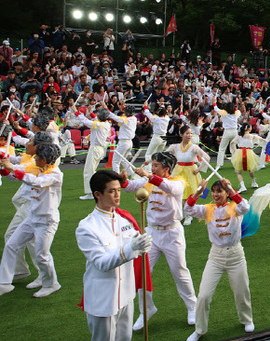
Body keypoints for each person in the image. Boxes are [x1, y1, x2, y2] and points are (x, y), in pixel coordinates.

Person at [121, 152, 197, 330]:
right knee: (142, 273)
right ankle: (146, 310)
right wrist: (123, 180)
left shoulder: (177, 182)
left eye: (156, 165)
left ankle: (192, 307)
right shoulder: (149, 181)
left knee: (179, 271)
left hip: (172, 233)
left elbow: (171, 189)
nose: (152, 168)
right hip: (152, 234)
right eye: (152, 165)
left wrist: (148, 175)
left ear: (166, 169)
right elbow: (129, 187)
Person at [76, 170, 153, 341]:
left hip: (126, 294)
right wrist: (131, 247)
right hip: (103, 298)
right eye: (112, 191)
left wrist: (143, 247)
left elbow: (135, 249)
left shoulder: (124, 220)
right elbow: (102, 263)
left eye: (118, 190)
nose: (117, 195)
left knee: (125, 338)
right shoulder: (87, 227)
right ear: (97, 194)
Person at [184, 178, 254, 340]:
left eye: (219, 191)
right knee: (203, 295)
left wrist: (230, 188)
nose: (215, 194)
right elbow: (188, 208)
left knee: (241, 291)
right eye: (214, 191)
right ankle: (199, 329)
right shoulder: (208, 209)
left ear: (227, 194)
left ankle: (246, 319)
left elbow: (245, 206)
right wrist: (199, 192)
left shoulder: (235, 207)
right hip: (215, 256)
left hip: (236, 255)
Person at [0, 143, 63, 298]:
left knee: (42, 255)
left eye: (38, 157)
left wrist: (12, 168)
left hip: (47, 221)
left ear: (46, 160)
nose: (34, 158)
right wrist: (3, 164)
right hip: (32, 216)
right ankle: (4, 283)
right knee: (11, 245)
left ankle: (51, 284)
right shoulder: (35, 167)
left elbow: (35, 182)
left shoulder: (55, 174)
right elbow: (16, 172)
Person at [2, 131, 51, 287]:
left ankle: (32, 274)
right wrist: (5, 168)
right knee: (28, 241)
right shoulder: (31, 159)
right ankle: (28, 273)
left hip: (33, 205)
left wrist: (8, 167)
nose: (26, 144)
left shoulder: (37, 163)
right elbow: (15, 173)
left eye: (30, 142)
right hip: (29, 204)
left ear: (38, 147)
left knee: (17, 238)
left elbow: (21, 173)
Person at [166, 125, 211, 226]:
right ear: (181, 134)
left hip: (191, 171)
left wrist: (199, 169)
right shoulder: (175, 147)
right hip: (178, 171)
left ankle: (188, 215)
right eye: (187, 133)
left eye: (191, 133)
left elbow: (206, 157)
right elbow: (164, 154)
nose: (189, 135)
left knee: (189, 194)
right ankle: (181, 213)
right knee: (178, 194)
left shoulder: (194, 147)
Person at [77, 108, 112, 200]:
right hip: (99, 149)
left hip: (95, 148)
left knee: (89, 171)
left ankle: (90, 193)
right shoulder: (107, 124)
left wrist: (76, 112)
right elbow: (96, 120)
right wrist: (91, 113)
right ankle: (95, 190)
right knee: (92, 171)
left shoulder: (98, 125)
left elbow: (86, 121)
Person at [230, 123, 266, 193]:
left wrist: (234, 150)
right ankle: (253, 182)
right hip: (249, 153)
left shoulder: (239, 136)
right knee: (251, 169)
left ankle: (242, 186)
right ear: (249, 129)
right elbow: (261, 139)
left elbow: (232, 143)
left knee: (238, 172)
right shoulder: (252, 136)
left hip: (240, 153)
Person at [107, 105, 138, 174]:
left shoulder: (125, 120)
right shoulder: (134, 118)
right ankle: (132, 174)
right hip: (129, 142)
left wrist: (106, 108)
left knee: (115, 161)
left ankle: (116, 177)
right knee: (123, 160)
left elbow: (114, 117)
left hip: (123, 142)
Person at [143, 103, 169, 171]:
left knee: (148, 154)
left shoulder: (156, 118)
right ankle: (159, 170)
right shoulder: (167, 118)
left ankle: (148, 171)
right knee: (158, 156)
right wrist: (162, 105)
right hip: (164, 138)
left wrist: (146, 105)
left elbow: (147, 113)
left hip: (157, 137)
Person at [214, 102, 240, 169]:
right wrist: (233, 107)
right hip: (235, 132)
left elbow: (215, 108)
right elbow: (237, 110)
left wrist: (214, 102)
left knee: (222, 148)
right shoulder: (237, 113)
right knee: (234, 148)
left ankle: (219, 165)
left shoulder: (223, 113)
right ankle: (236, 164)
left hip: (227, 132)